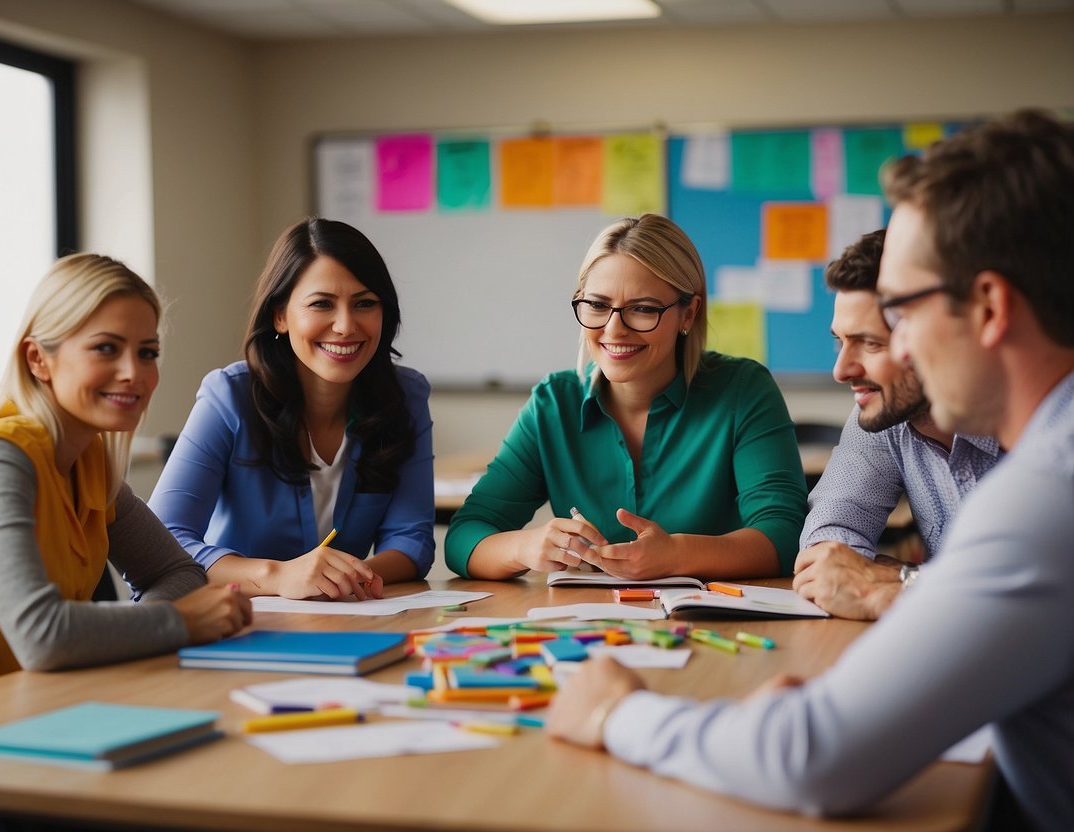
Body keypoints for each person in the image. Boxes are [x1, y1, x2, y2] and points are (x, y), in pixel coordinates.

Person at [547, 110, 1074, 832]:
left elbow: (814, 760)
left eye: (903, 311)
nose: (900, 350)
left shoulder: (1049, 489)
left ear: (987, 307)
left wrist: (615, 711)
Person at [0, 254, 251, 714]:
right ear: (38, 359)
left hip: (8, 712)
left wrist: (167, 617)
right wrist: (177, 622)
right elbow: (40, 636)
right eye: (106, 348)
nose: (134, 372)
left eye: (147, 352)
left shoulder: (89, 462)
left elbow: (178, 573)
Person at [445, 213, 807, 581]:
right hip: (593, 625)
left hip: (715, 620)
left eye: (643, 309)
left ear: (689, 313)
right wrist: (524, 547)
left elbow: (784, 535)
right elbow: (464, 538)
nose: (614, 329)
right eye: (598, 306)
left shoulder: (743, 390)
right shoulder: (554, 404)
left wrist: (677, 555)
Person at [149, 218, 434, 601]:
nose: (346, 325)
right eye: (322, 304)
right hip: (237, 625)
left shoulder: (406, 396)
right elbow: (162, 541)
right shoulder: (228, 397)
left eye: (365, 303)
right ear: (280, 315)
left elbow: (411, 540)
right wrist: (278, 576)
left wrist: (339, 579)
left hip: (345, 621)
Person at [793, 229, 999, 619]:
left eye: (871, 343)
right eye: (840, 341)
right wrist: (873, 580)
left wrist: (906, 583)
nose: (841, 370)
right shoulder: (882, 416)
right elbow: (827, 545)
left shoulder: (1038, 423)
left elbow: (1036, 597)